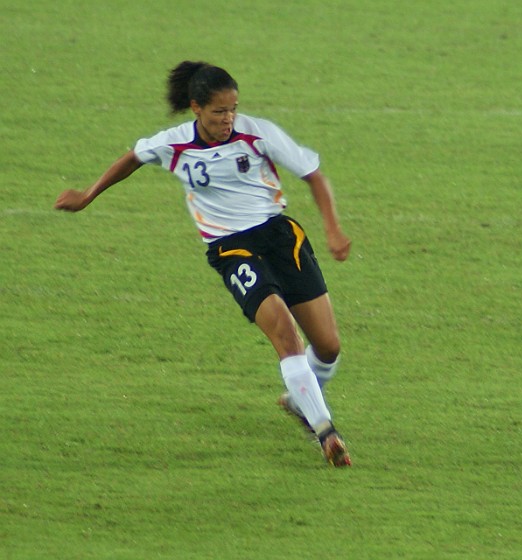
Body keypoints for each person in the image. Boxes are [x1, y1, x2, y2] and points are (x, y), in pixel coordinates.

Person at [54, 61, 352, 467]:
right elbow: (132, 158)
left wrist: (333, 229)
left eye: (232, 109)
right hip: (231, 249)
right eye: (219, 111)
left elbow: (313, 175)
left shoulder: (257, 132)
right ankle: (326, 432)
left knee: (329, 346)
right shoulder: (174, 143)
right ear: (196, 108)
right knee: (284, 332)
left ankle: (300, 399)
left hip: (280, 237)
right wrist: (88, 195)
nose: (228, 118)